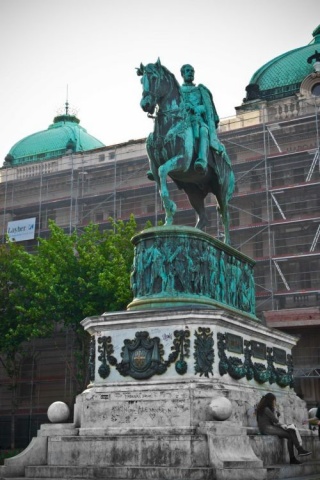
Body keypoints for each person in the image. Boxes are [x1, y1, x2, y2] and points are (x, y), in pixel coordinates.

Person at [180, 64, 224, 174]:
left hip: (197, 120)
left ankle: (202, 159)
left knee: (204, 131)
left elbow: (206, 107)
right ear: (182, 74)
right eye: (187, 71)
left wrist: (196, 108)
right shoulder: (178, 91)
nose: (190, 73)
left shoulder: (199, 90)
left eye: (192, 71)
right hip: (181, 122)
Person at [256, 393, 312, 465]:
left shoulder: (264, 408)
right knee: (290, 434)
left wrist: (283, 424)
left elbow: (274, 422)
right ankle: (297, 453)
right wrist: (284, 425)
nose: (274, 402)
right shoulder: (266, 409)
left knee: (291, 431)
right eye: (274, 400)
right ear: (270, 401)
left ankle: (297, 453)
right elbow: (275, 421)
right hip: (267, 429)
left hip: (270, 427)